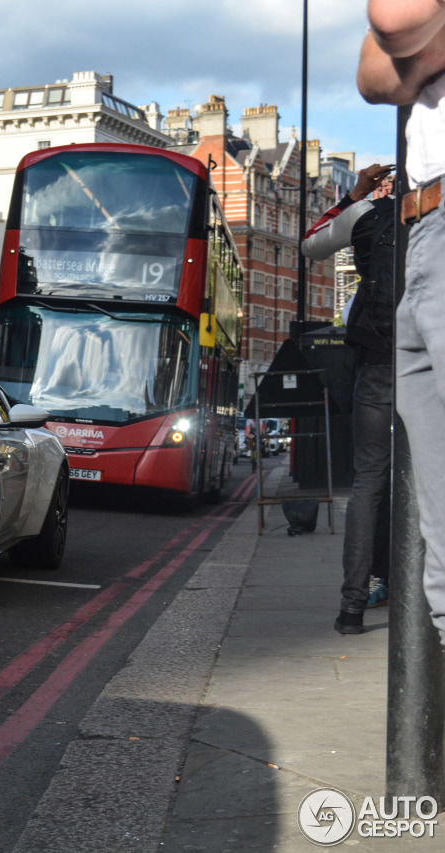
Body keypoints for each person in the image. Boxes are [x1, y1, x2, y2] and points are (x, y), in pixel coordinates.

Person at [358, 3, 445, 646]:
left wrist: (413, 58)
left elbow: (391, 24)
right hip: (425, 241)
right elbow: (373, 76)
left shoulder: (358, 215)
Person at [302, 162, 396, 634]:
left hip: (379, 363)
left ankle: (352, 609)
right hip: (431, 361)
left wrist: (354, 193)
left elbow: (311, 244)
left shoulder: (366, 214)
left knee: (370, 482)